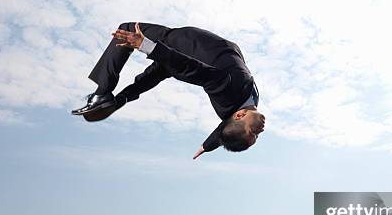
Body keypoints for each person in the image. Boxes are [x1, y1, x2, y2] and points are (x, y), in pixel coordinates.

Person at [72, 22, 265, 159]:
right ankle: (119, 100)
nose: (260, 130)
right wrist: (206, 146)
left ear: (239, 115)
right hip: (187, 56)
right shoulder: (244, 107)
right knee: (156, 74)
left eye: (253, 132)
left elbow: (194, 70)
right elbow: (224, 129)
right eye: (257, 134)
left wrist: (146, 45)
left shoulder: (229, 92)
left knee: (126, 30)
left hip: (186, 48)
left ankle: (102, 93)